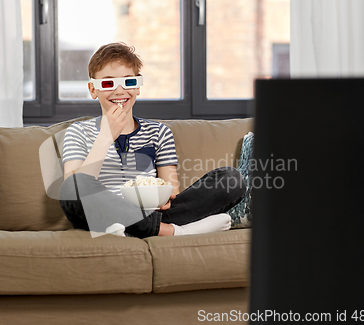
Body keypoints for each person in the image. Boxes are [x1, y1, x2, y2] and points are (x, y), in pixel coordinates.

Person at [59, 42, 245, 238]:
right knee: (72, 186)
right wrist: (106, 136)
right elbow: (75, 188)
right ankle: (173, 231)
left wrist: (162, 198)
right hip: (101, 212)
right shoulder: (78, 132)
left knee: (231, 179)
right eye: (108, 83)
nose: (120, 91)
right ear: (93, 89)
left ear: (138, 87)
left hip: (151, 212)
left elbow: (171, 190)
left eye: (128, 82)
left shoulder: (159, 132)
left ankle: (131, 229)